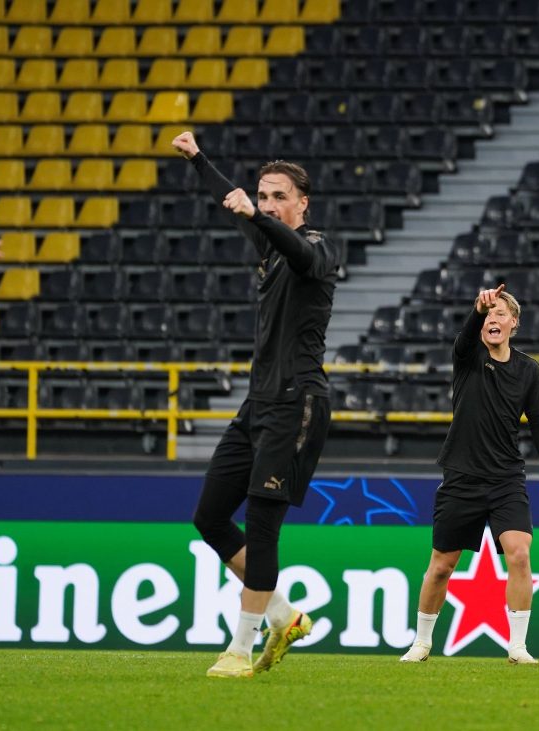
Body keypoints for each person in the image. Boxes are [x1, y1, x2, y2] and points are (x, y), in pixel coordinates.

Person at [171, 131, 343, 678]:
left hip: (298, 404)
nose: (268, 204)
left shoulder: (319, 248)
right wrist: (199, 158)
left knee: (263, 527)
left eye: (278, 197)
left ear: (302, 203)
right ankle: (284, 616)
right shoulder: (268, 244)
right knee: (209, 517)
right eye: (263, 196)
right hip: (258, 404)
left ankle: (239, 651)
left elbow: (299, 251)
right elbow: (234, 205)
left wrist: (256, 216)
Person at [399, 284, 539, 665]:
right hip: (462, 477)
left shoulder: (528, 370)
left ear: (514, 323)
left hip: (506, 478)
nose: (493, 319)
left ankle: (518, 646)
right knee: (441, 566)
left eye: (500, 314)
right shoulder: (469, 355)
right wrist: (477, 310)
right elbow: (463, 338)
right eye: (488, 315)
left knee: (519, 554)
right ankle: (421, 642)